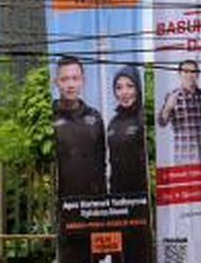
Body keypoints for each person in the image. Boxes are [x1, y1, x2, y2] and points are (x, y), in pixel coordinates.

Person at [52, 55, 106, 196]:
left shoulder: (94, 117)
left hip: (91, 202)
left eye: (75, 78)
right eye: (65, 79)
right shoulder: (48, 117)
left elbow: (102, 162)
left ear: (83, 81)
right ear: (56, 82)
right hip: (61, 202)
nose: (70, 85)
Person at [158, 59, 201, 164]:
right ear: (179, 74)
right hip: (183, 158)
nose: (189, 75)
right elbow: (161, 122)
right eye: (185, 71)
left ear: (198, 75)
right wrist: (168, 107)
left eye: (193, 72)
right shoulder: (172, 96)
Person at [106, 66, 147, 194]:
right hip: (118, 197)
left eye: (130, 86)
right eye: (119, 87)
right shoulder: (113, 123)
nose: (124, 92)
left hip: (141, 196)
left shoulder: (143, 118)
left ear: (138, 88)